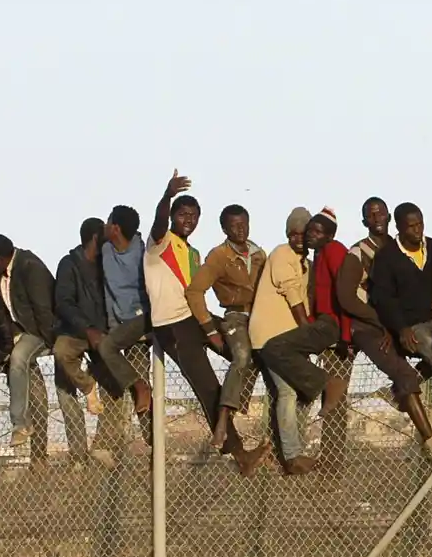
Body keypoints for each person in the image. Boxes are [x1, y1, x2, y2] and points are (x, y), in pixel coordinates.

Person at [144, 170, 271, 474]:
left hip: (194, 317)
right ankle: (240, 453)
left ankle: (236, 403)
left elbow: (197, 293)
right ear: (174, 216)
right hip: (173, 324)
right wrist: (167, 194)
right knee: (208, 386)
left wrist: (214, 325)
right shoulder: (160, 243)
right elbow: (160, 221)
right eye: (183, 214)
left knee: (251, 349)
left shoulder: (194, 253)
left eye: (194, 215)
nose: (189, 220)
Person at [335, 197, 432, 446]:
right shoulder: (358, 253)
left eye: (381, 213)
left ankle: (396, 395)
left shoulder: (403, 250)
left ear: (390, 218)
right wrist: (381, 322)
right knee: (405, 375)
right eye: (371, 215)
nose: (377, 219)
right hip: (368, 327)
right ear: (364, 221)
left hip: (394, 325)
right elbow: (346, 298)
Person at [251, 207, 346, 475]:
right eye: (294, 233)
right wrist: (309, 330)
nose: (298, 239)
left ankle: (294, 452)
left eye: (303, 234)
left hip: (289, 339)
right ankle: (292, 456)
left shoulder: (307, 262)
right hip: (271, 337)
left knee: (293, 394)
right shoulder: (282, 254)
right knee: (287, 392)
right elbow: (292, 293)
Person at [371, 202, 432, 432]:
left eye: (420, 224)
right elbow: (384, 299)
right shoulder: (387, 257)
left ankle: (397, 392)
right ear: (399, 227)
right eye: (411, 226)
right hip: (413, 326)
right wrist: (401, 328)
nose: (417, 230)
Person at [186, 203, 265, 448]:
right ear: (224, 228)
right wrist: (209, 328)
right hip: (235, 316)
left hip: (261, 316)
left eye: (244, 224)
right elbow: (195, 291)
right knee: (241, 356)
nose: (240, 230)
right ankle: (223, 420)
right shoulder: (219, 256)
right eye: (234, 226)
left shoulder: (259, 254)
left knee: (275, 357)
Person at [52, 217, 127, 466]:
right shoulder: (69, 264)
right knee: (61, 352)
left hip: (104, 334)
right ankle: (87, 387)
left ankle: (104, 445)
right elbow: (63, 302)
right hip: (77, 332)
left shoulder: (109, 263)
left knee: (116, 383)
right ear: (96, 237)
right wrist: (87, 329)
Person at [0, 234, 56, 457]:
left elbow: (43, 308)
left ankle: (19, 424)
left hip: (40, 331)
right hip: (21, 330)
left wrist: (51, 340)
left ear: (2, 258)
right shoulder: (0, 275)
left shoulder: (30, 267)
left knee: (18, 358)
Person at [307, 208, 358, 461]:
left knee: (335, 402)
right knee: (332, 400)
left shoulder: (333, 250)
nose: (311, 235)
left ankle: (332, 463)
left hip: (337, 332)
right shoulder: (319, 254)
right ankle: (329, 460)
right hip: (327, 330)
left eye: (318, 231)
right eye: (310, 230)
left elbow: (344, 294)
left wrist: (346, 335)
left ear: (330, 234)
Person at [99, 205, 153, 418]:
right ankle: (138, 387)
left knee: (108, 347)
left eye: (108, 221)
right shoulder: (106, 251)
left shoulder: (143, 253)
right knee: (108, 349)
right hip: (121, 323)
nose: (104, 225)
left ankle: (140, 386)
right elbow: (108, 292)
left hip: (142, 317)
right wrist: (113, 325)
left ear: (116, 228)